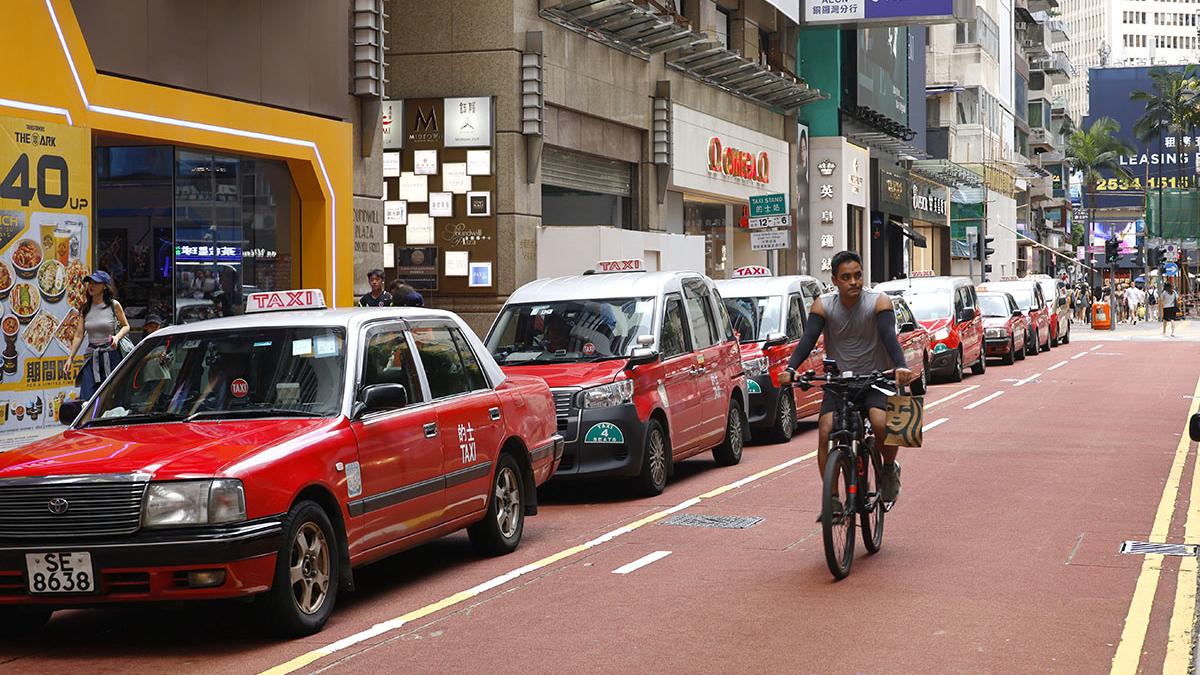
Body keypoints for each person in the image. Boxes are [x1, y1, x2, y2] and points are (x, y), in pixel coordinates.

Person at [778, 250, 914, 504]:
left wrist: (901, 366)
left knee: (880, 422)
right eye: (846, 277)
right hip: (839, 382)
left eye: (858, 275)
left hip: (876, 379)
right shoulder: (823, 305)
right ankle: (832, 500)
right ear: (835, 280)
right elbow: (807, 340)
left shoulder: (878, 301)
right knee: (825, 431)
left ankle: (888, 467)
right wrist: (790, 369)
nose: (854, 282)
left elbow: (888, 337)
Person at [66, 270, 131, 399]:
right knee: (87, 396)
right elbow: (79, 335)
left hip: (111, 354)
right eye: (90, 282)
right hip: (92, 356)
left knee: (112, 396)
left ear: (105, 286)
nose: (91, 285)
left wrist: (117, 338)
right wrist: (70, 357)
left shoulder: (114, 305)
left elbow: (126, 326)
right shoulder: (85, 308)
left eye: (95, 283)